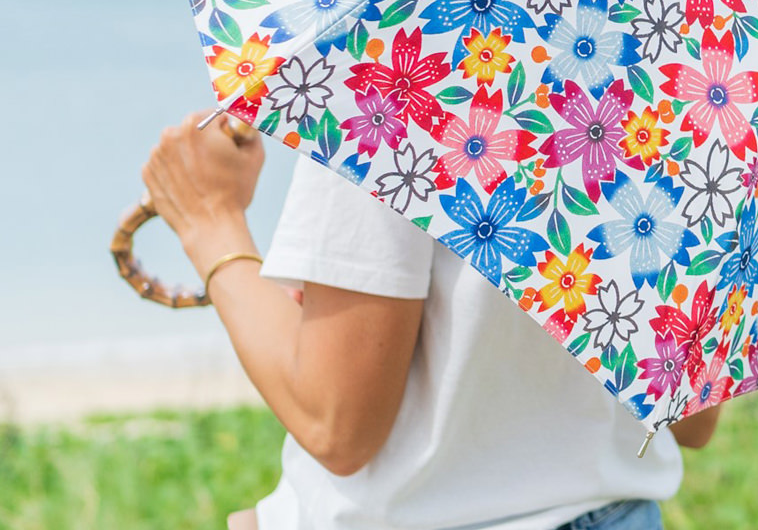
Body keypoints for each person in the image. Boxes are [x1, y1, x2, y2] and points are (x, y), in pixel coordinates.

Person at [143, 109, 723, 530]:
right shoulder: (683, 89)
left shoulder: (389, 83)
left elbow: (336, 424)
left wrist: (210, 219)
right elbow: (695, 424)